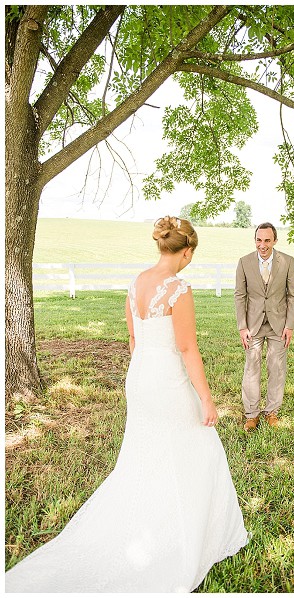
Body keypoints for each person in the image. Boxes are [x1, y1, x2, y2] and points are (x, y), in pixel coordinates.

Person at [5, 216, 248, 592]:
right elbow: (186, 348)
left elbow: (134, 341)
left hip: (140, 376)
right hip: (166, 377)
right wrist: (206, 397)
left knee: (146, 450)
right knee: (198, 446)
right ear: (187, 251)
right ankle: (183, 531)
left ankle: (152, 514)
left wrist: (144, 371)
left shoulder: (136, 284)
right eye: (191, 255)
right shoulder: (179, 289)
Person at [234, 222, 294, 431]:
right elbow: (240, 296)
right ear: (255, 240)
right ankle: (251, 414)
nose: (262, 245)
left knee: (277, 368)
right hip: (252, 325)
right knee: (252, 368)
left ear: (275, 241)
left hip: (278, 325)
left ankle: (272, 412)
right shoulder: (244, 262)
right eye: (259, 240)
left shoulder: (287, 262)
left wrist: (289, 326)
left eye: (267, 240)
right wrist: (242, 327)